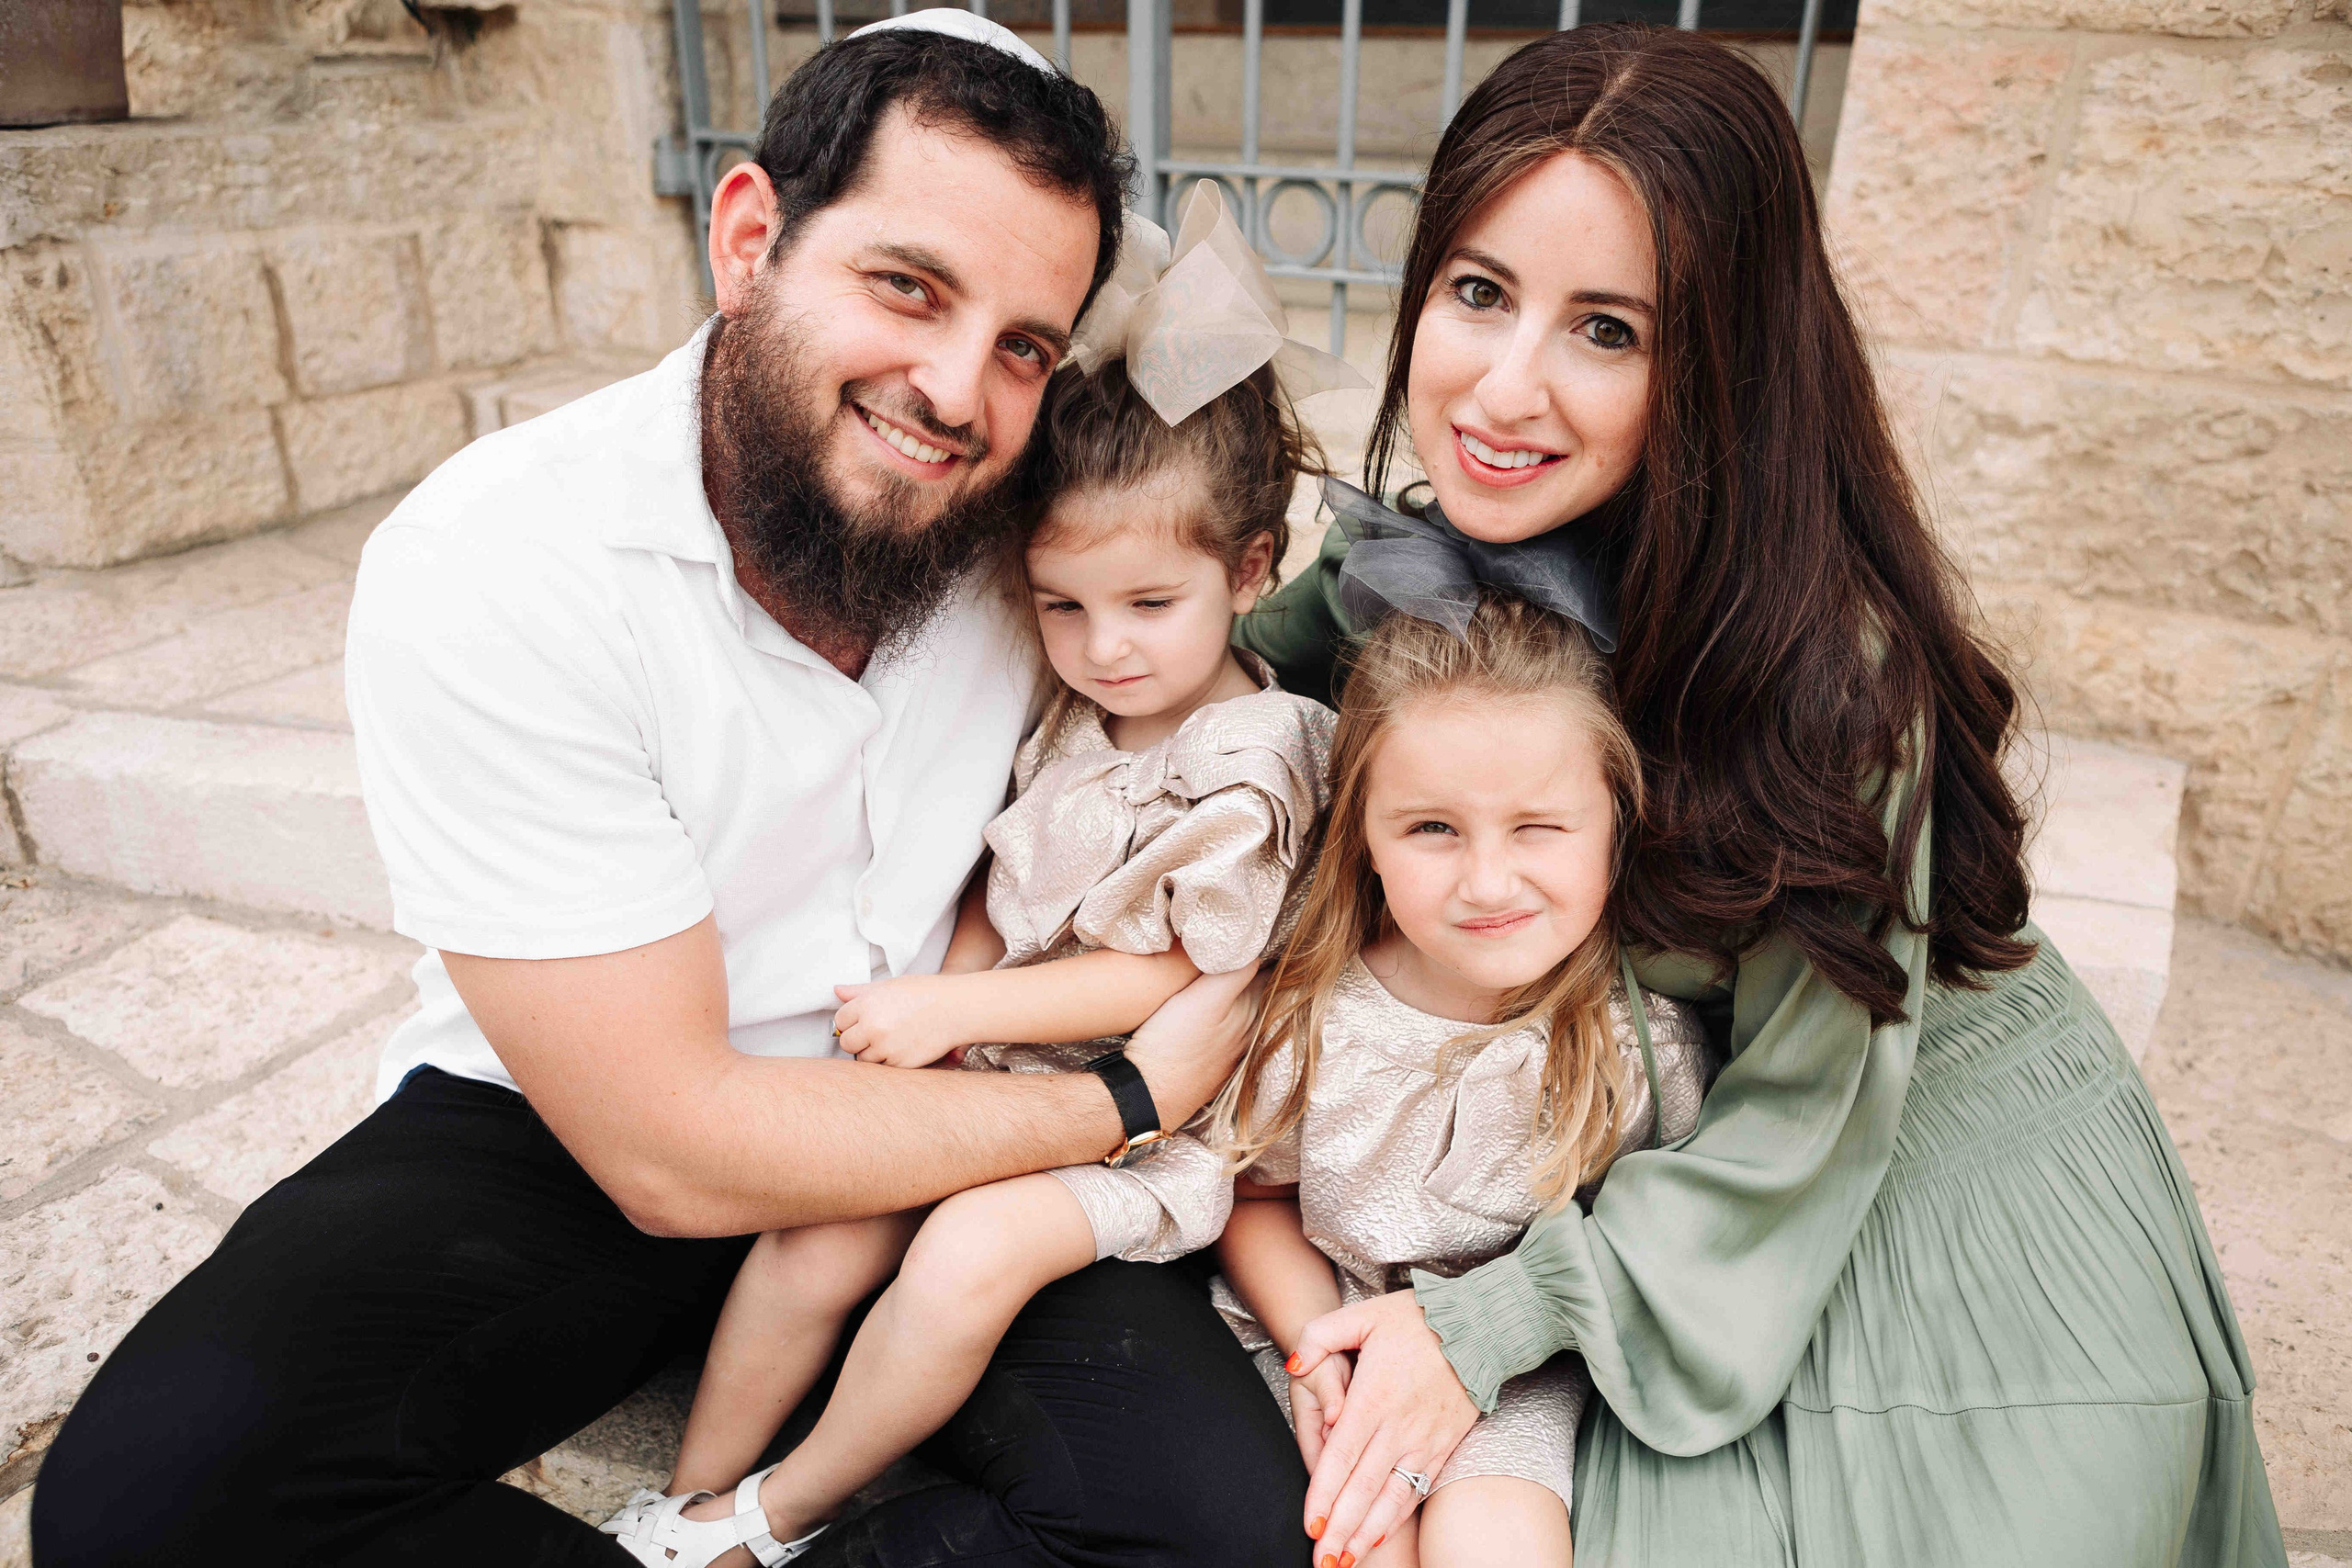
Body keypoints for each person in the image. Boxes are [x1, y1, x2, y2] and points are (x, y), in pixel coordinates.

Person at [29, 19, 1307, 1568]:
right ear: (750, 237)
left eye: (1024, 342)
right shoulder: (503, 560)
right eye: (908, 286)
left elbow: (1210, 570)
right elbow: (670, 1143)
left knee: (1222, 1530)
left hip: (954, 1111)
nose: (956, 388)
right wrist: (1115, 1099)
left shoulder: (1026, 521)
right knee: (145, 1507)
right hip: (582, 1131)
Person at [1237, 24, 2290, 1568]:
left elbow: (1806, 1108)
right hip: (1658, 1137)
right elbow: (1203, 699)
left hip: (1902, 1156)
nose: (1505, 386)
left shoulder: (1832, 677)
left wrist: (1488, 1318)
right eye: (1478, 292)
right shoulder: (1398, 580)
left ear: (1718, 359)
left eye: (1608, 329)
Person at [600, 187, 1342, 1568]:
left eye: (1146, 606)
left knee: (958, 1259)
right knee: (822, 1235)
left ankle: (782, 1508)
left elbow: (1177, 970)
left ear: (1250, 570)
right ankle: (683, 1502)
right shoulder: (1082, 707)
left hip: (1149, 1123)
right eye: (1062, 604)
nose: (1103, 646)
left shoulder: (1250, 760)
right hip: (995, 1054)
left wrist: (948, 1022)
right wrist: (943, 1011)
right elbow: (1000, 880)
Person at [1211, 588, 1713, 1568]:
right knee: (1356, 1542)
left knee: (1499, 1546)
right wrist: (1324, 1356)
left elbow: (1662, 1248)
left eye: (1539, 828)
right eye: (1432, 829)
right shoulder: (1318, 1013)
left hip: (1511, 1376)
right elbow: (1252, 1197)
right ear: (1363, 832)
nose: (1486, 883)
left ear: (1617, 823)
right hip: (1318, 1341)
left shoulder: (1639, 1045)